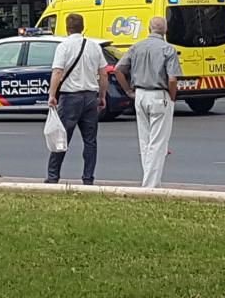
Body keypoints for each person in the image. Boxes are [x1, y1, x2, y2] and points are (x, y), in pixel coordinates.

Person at [114, 16, 183, 188]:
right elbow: (173, 79)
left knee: (145, 141)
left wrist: (129, 91)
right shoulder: (168, 49)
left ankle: (151, 181)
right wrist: (172, 97)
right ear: (165, 30)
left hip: (140, 94)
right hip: (160, 95)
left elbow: (118, 70)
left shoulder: (137, 47)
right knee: (158, 142)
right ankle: (150, 186)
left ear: (148, 28)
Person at [45, 13, 108, 185]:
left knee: (61, 138)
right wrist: (102, 96)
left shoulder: (64, 47)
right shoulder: (94, 47)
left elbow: (57, 72)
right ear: (83, 27)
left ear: (67, 28)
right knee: (90, 141)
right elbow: (103, 73)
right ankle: (88, 178)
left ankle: (53, 176)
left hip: (70, 97)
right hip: (90, 96)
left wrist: (52, 95)